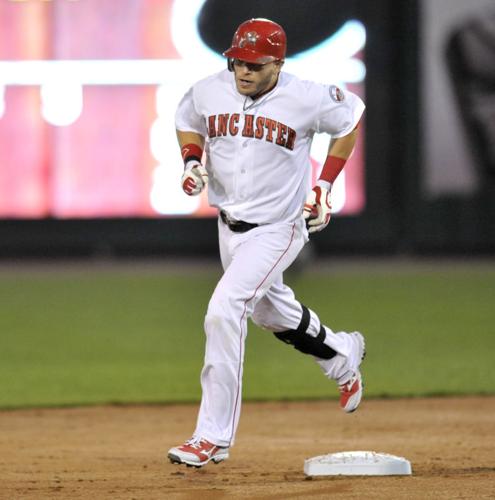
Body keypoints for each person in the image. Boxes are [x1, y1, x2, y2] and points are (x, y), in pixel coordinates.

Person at [168, 18, 366, 468]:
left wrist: (324, 185)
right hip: (229, 226)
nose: (243, 71)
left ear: (277, 63)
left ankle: (212, 437)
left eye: (255, 65)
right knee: (269, 311)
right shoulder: (209, 89)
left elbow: (351, 118)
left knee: (224, 311)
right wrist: (192, 161)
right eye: (238, 61)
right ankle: (341, 354)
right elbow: (186, 120)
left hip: (279, 227)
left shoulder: (306, 96)